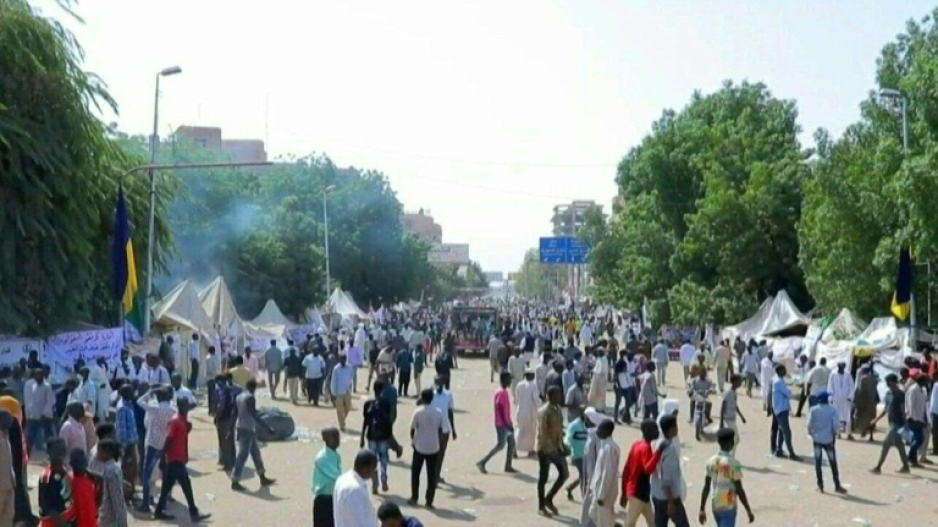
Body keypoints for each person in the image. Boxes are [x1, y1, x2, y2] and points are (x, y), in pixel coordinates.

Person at [152, 399, 211, 521]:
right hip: (175, 460)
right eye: (185, 406)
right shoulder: (176, 421)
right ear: (180, 406)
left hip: (175, 459)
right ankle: (194, 513)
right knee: (186, 486)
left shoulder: (182, 420)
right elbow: (168, 440)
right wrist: (163, 457)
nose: (187, 408)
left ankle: (158, 511)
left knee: (166, 488)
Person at [697, 428, 755, 527]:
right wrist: (748, 510)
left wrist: (702, 508)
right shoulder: (734, 464)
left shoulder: (711, 461)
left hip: (716, 505)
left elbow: (706, 487)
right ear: (731, 443)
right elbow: (739, 489)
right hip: (728, 505)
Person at [231, 379, 277, 491]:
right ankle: (235, 481)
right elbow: (254, 415)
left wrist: (231, 428)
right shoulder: (250, 398)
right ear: (254, 388)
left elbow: (235, 413)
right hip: (247, 429)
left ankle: (262, 477)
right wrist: (267, 428)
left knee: (256, 454)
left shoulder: (239, 397)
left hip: (242, 427)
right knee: (242, 455)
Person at [136, 386, 175, 513]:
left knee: (147, 473)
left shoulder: (155, 408)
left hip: (152, 443)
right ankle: (163, 501)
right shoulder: (173, 410)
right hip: (164, 444)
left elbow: (139, 401)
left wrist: (150, 392)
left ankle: (145, 503)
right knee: (164, 472)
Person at [621, 420, 664, 527]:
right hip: (637, 492)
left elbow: (626, 469)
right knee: (630, 523)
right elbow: (647, 469)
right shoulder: (645, 447)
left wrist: (624, 492)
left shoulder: (636, 444)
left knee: (652, 522)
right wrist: (658, 452)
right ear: (648, 431)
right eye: (655, 430)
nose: (657, 432)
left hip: (640, 491)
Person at [536, 385, 569, 518]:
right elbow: (543, 434)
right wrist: (552, 449)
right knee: (543, 478)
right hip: (545, 449)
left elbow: (559, 429)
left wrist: (563, 445)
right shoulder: (544, 412)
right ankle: (541, 506)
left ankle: (548, 498)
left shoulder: (558, 409)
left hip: (557, 448)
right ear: (550, 396)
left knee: (564, 474)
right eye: (557, 395)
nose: (560, 397)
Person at [651, 414, 689, 527]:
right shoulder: (670, 449)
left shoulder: (656, 443)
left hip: (656, 493)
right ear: (672, 428)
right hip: (669, 497)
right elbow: (667, 478)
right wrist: (670, 501)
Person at [806, 392, 847, 494]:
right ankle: (837, 485)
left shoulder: (813, 410)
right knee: (833, 463)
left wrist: (811, 433)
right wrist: (834, 435)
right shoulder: (832, 410)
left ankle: (820, 485)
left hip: (817, 439)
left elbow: (809, 425)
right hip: (829, 440)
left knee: (818, 463)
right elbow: (835, 426)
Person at [476, 371, 517, 474]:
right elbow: (500, 407)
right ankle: (482, 462)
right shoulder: (501, 392)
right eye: (509, 380)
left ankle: (508, 466)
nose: (510, 382)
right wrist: (506, 424)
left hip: (506, 422)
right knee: (500, 445)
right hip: (502, 424)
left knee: (511, 443)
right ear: (504, 380)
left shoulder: (504, 391)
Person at [870, 373, 911, 473]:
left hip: (898, 423)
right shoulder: (888, 393)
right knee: (899, 445)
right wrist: (876, 419)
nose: (887, 384)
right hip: (891, 422)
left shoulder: (900, 394)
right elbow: (886, 409)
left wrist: (905, 423)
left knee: (886, 443)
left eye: (888, 382)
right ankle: (906, 466)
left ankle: (878, 466)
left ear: (893, 382)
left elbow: (903, 409)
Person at [409, 389, 443, 508]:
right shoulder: (438, 412)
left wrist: (413, 441)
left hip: (419, 446)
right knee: (431, 475)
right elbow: (440, 429)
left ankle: (414, 497)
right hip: (433, 447)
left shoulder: (418, 412)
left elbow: (412, 429)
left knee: (415, 473)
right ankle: (429, 501)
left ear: (422, 398)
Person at [361, 380, 394, 494]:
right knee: (383, 458)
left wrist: (362, 437)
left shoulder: (368, 404)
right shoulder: (386, 404)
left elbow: (366, 421)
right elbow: (389, 422)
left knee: (372, 460)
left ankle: (375, 485)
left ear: (373, 389)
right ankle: (384, 477)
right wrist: (390, 437)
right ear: (383, 390)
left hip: (371, 436)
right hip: (383, 436)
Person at [333, 449, 378, 527]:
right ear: (367, 469)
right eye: (374, 468)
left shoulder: (342, 479)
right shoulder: (355, 490)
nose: (374, 472)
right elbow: (358, 522)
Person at [588, 419, 620, 527]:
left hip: (605, 492)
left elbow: (607, 473)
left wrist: (602, 495)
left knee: (604, 522)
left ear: (607, 431)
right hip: (598, 489)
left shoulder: (609, 448)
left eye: (600, 429)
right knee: (592, 513)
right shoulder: (604, 445)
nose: (598, 431)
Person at [312, 427, 342, 527]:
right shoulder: (322, 458)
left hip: (333, 498)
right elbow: (336, 475)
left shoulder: (336, 455)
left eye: (338, 436)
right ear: (325, 439)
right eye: (334, 436)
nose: (337, 439)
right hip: (324, 500)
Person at [430, 375, 456, 484]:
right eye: (437, 382)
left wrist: (453, 429)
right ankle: (432, 476)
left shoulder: (448, 395)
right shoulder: (431, 394)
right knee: (433, 453)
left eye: (440, 382)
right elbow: (420, 403)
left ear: (444, 383)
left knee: (441, 453)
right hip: (433, 428)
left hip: (445, 428)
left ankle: (437, 475)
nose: (439, 385)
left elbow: (450, 412)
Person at [771, 365, 799, 460]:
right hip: (781, 409)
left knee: (781, 430)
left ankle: (779, 450)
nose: (785, 371)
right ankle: (791, 453)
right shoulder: (778, 382)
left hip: (781, 408)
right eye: (783, 370)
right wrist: (792, 393)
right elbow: (787, 393)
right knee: (787, 431)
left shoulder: (780, 380)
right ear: (779, 371)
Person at [561, 407, 588, 499]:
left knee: (585, 475)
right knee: (584, 476)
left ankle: (569, 488)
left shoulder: (589, 424)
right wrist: (568, 449)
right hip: (576, 455)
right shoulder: (574, 425)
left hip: (586, 455)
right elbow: (567, 439)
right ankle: (585, 498)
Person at [68, 449, 97, 527]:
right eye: (77, 462)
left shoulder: (90, 479)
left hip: (91, 521)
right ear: (71, 464)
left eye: (83, 462)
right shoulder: (69, 479)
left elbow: (95, 499)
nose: (81, 465)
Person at [827, 361, 855, 440]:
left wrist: (850, 396)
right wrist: (830, 397)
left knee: (847, 416)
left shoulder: (848, 374)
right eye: (841, 366)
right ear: (838, 366)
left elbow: (852, 386)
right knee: (836, 416)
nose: (842, 368)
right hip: (836, 398)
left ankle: (848, 433)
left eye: (843, 366)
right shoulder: (833, 374)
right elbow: (830, 386)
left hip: (846, 399)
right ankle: (838, 433)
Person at [515, 369, 540, 457]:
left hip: (520, 410)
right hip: (530, 412)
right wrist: (541, 404)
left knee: (520, 430)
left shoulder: (519, 384)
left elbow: (516, 398)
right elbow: (536, 400)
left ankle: (514, 449)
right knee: (531, 432)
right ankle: (530, 449)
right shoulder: (533, 386)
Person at [720, 374, 747, 455]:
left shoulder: (734, 393)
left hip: (732, 419)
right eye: (739, 381)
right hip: (727, 419)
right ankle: (729, 456)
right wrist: (721, 421)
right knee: (735, 439)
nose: (740, 383)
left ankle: (730, 455)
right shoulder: (728, 393)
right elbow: (723, 406)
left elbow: (735, 405)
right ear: (734, 382)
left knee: (734, 439)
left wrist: (741, 416)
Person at [853, 365, 878, 440]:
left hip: (864, 401)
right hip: (872, 402)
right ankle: (871, 435)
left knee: (862, 418)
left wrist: (857, 401)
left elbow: (861, 391)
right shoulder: (874, 379)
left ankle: (863, 432)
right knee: (872, 418)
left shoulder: (862, 379)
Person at [0, 409, 14, 526]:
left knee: (8, 516)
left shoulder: (6, 436)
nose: (11, 421)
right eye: (7, 418)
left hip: (9, 484)